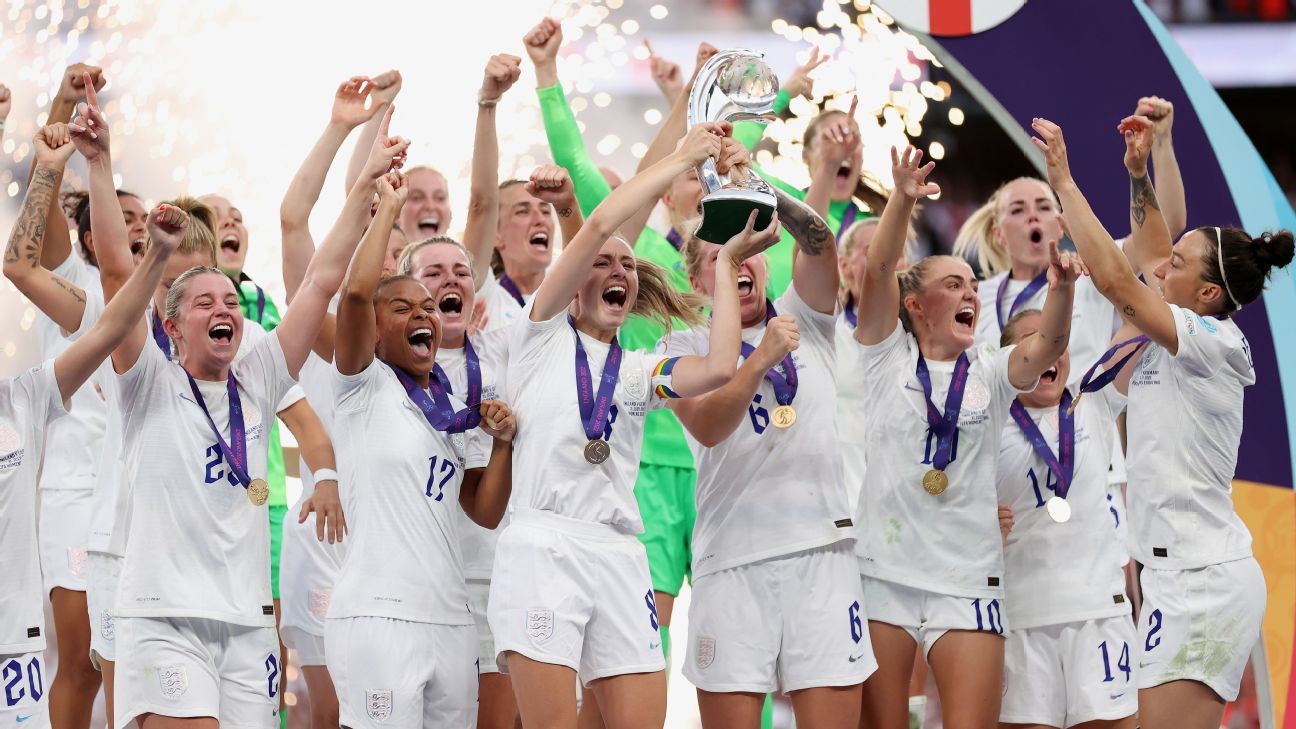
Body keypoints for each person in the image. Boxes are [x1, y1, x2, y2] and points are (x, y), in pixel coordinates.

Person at [489, 122, 778, 729]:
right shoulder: (538, 334)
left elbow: (722, 364)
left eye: (628, 262)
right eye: (601, 263)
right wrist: (680, 159)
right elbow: (595, 226)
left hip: (622, 555)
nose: (618, 266)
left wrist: (725, 264)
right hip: (544, 545)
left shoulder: (641, 371)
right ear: (570, 283)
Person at [1031, 116, 1292, 729]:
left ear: (1206, 294)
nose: (1162, 266)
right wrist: (1137, 173)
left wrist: (1066, 182)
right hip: (1169, 577)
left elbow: (1122, 279)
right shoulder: (1175, 327)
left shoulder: (1212, 340)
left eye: (1178, 263)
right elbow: (1145, 258)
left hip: (1201, 580)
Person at [849, 146, 1079, 729]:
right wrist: (901, 199)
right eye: (954, 285)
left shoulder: (993, 370)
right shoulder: (883, 358)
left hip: (970, 577)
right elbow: (876, 271)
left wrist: (1063, 292)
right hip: (884, 574)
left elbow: (1046, 348)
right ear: (916, 305)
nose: (971, 294)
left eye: (974, 285)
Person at [665, 175, 869, 727]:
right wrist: (758, 361)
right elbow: (709, 426)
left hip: (821, 554)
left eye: (749, 249)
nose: (738, 263)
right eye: (719, 257)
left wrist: (754, 182)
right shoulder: (679, 347)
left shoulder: (807, 317)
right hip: (730, 560)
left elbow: (820, 239)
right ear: (695, 279)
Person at [327, 163, 517, 728]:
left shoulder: (450, 403)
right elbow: (358, 292)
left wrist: (503, 444)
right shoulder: (362, 384)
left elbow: (483, 512)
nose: (423, 316)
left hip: (452, 619)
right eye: (404, 308)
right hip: (379, 616)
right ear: (376, 329)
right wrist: (387, 206)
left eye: (428, 309)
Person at [1, 192, 188, 729]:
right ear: (92, 239)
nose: (138, 224)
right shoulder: (84, 296)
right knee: (85, 659)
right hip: (79, 500)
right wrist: (58, 151)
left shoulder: (186, 323)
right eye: (124, 218)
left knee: (134, 661)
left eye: (143, 217)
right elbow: (21, 264)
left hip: (148, 506)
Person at [390, 53, 524, 729]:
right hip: (412, 586)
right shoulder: (381, 362)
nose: (450, 275)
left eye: (460, 268)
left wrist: (488, 103)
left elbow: (482, 205)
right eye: (432, 269)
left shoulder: (499, 344)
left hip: (492, 574)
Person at [276, 73, 399, 728]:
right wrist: (363, 124)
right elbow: (297, 219)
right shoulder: (322, 329)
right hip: (327, 543)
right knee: (326, 712)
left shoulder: (421, 357)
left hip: (397, 554)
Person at [994, 309, 1137, 729]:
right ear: (1010, 358)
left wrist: (1155, 269)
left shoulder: (1093, 397)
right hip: (1022, 619)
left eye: (1056, 339)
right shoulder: (988, 421)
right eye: (1033, 340)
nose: (1048, 349)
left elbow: (1139, 319)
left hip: (1099, 614)